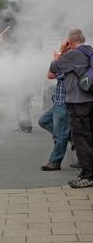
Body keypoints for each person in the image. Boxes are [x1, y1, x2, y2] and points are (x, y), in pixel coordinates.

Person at [49, 29, 93, 188]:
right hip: (90, 100)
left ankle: (87, 175)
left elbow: (53, 68)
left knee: (80, 138)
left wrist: (61, 51)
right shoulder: (90, 52)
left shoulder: (72, 54)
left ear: (70, 43)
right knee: (90, 138)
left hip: (78, 102)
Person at [38, 66, 69, 170]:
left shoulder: (69, 65)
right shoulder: (68, 62)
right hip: (58, 103)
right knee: (43, 121)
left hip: (63, 104)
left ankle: (55, 162)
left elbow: (50, 74)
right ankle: (72, 137)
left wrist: (58, 55)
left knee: (59, 135)